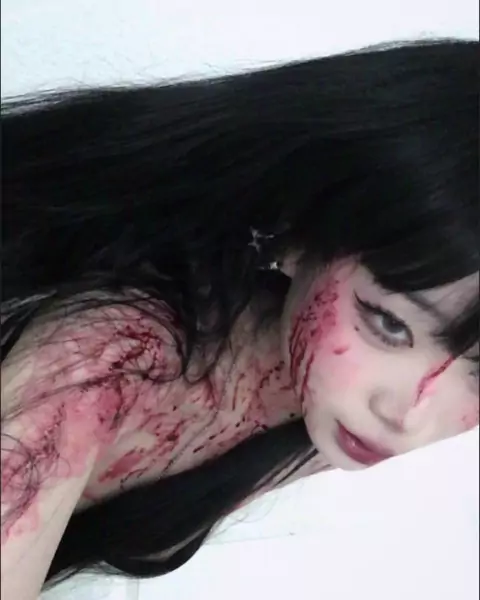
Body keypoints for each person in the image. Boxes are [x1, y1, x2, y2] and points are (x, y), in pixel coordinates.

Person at [1, 37, 478, 599]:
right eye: (390, 325)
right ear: (299, 234)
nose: (409, 416)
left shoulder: (330, 408)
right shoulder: (111, 355)